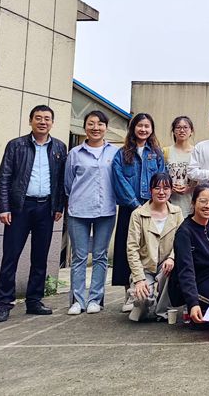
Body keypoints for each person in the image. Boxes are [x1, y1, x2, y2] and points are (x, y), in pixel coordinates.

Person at [0, 105, 67, 322]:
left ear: (52, 123)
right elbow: (4, 177)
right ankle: (4, 303)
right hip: (20, 208)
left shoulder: (59, 147)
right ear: (30, 121)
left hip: (46, 208)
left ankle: (34, 301)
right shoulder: (16, 145)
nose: (43, 122)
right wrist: (4, 207)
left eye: (47, 118)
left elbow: (60, 180)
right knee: (11, 256)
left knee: (40, 257)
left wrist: (58, 206)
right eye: (38, 118)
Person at [64, 110, 119, 315]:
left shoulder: (114, 153)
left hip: (106, 210)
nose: (96, 128)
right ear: (85, 127)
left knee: (100, 256)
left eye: (100, 124)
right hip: (79, 210)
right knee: (79, 256)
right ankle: (77, 300)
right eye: (91, 123)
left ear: (106, 127)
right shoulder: (75, 153)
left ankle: (95, 299)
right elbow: (68, 183)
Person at [112, 113, 165, 312]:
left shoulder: (156, 153)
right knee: (128, 249)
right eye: (140, 126)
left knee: (150, 250)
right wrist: (135, 204)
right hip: (130, 209)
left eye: (147, 126)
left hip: (152, 208)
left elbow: (161, 178)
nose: (143, 129)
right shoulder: (122, 153)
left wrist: (153, 203)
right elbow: (118, 179)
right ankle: (129, 294)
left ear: (152, 129)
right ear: (133, 128)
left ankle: (149, 291)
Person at [127, 173, 183, 322]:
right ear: (150, 190)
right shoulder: (138, 214)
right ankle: (139, 299)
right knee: (141, 299)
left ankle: (162, 310)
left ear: (171, 190)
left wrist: (172, 258)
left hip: (166, 266)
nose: (161, 192)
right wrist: (139, 279)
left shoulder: (177, 212)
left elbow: (181, 241)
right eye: (157, 188)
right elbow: (132, 249)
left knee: (173, 270)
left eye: (166, 188)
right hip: (145, 267)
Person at [169, 184, 209, 324]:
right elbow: (185, 269)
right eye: (203, 201)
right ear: (193, 203)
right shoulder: (185, 232)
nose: (208, 206)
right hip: (197, 284)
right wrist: (193, 303)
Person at [164, 116, 196, 217]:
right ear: (173, 131)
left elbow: (201, 178)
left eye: (185, 127)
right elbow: (160, 176)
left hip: (191, 205)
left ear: (191, 131)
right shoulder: (165, 152)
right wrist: (169, 186)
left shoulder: (196, 152)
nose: (182, 130)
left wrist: (190, 187)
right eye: (178, 127)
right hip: (169, 204)